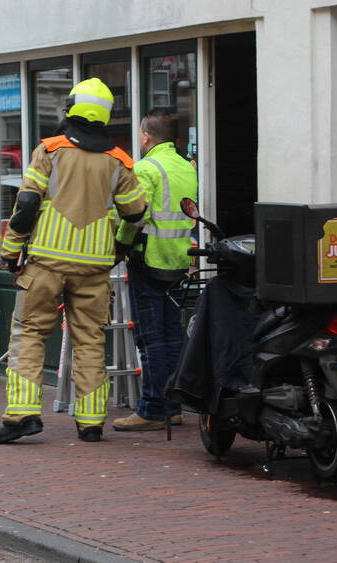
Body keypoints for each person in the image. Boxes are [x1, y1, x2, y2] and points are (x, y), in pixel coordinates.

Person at [0, 78, 147, 444]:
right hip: (94, 267)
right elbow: (137, 214)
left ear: (72, 105)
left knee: (29, 334)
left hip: (46, 264)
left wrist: (10, 252)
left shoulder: (49, 150)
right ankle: (91, 422)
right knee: (90, 340)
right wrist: (119, 248)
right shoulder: (120, 161)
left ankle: (22, 415)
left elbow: (26, 205)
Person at [112, 108, 198, 431]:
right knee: (173, 335)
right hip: (177, 261)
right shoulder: (187, 168)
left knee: (150, 340)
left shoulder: (146, 167)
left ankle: (151, 408)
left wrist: (119, 247)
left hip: (148, 261)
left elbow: (136, 216)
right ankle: (173, 406)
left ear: (146, 136)